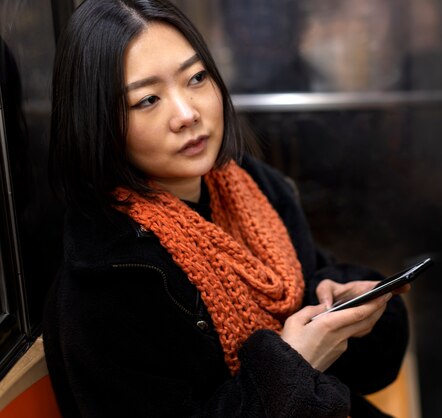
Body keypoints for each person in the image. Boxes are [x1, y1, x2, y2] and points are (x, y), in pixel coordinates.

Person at [43, 0, 409, 417]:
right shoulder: (106, 280)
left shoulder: (253, 188)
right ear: (98, 122)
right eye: (147, 100)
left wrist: (344, 299)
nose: (187, 114)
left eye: (196, 78)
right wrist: (292, 366)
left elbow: (367, 370)